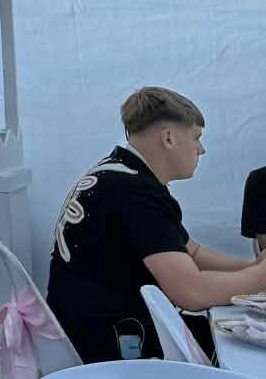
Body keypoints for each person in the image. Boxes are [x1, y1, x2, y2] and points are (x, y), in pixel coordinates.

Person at [47, 86, 266, 362]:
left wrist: (249, 268)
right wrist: (260, 278)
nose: (202, 149)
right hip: (108, 348)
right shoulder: (135, 192)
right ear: (169, 138)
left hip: (83, 329)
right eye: (197, 137)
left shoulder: (116, 172)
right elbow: (191, 293)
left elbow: (190, 252)